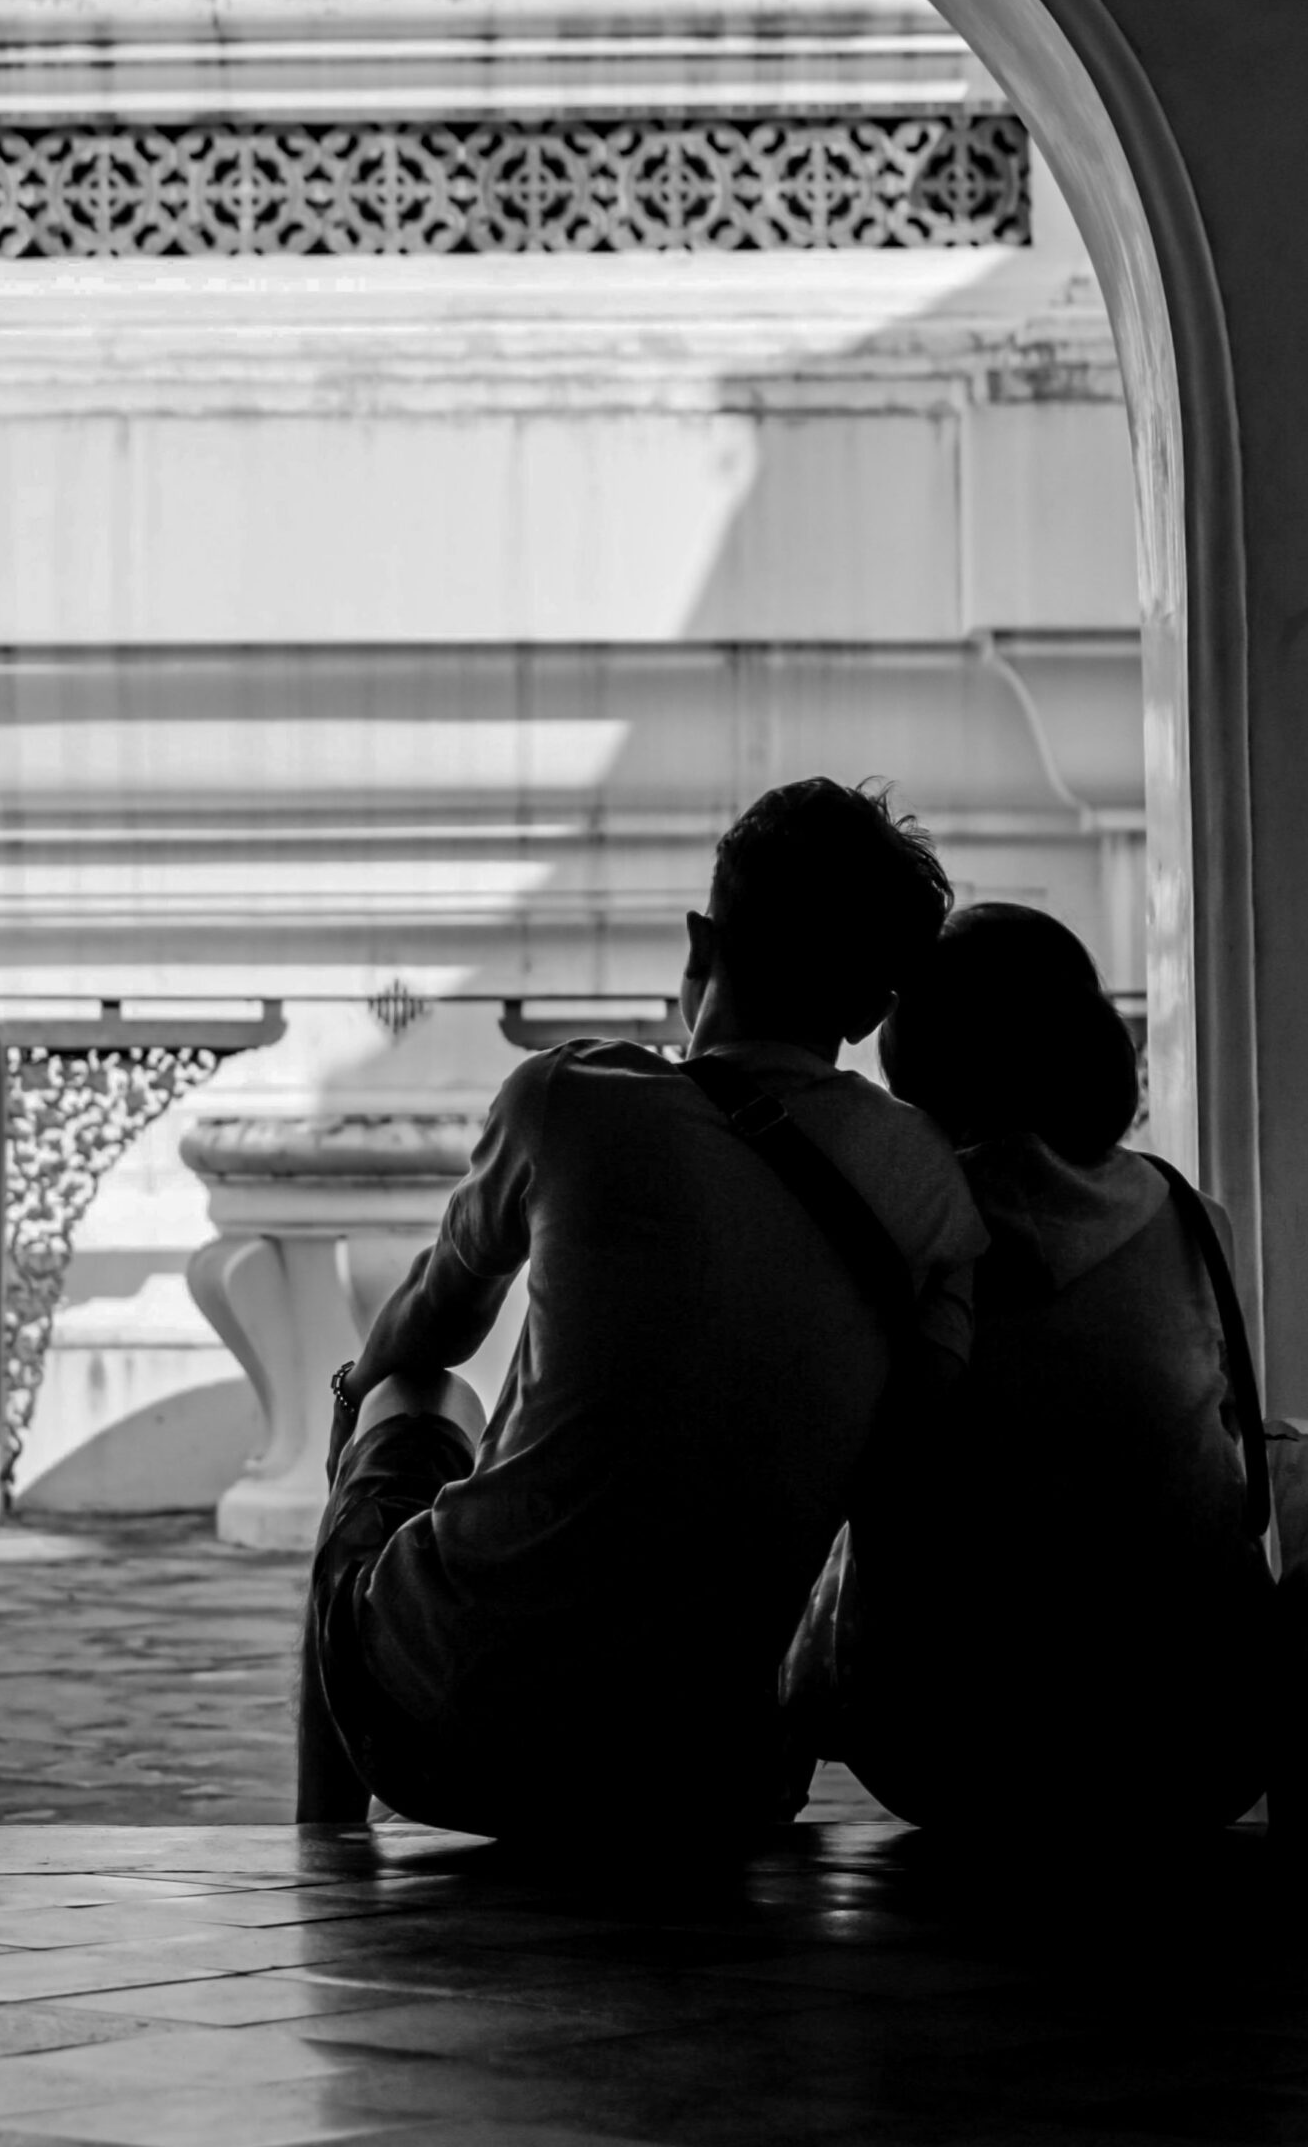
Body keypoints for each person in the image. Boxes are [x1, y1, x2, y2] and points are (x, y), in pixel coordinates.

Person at [298, 778, 987, 1837]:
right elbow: (902, 1466)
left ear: (699, 944)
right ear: (866, 1010)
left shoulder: (570, 1096)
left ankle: (323, 1847)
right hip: (703, 1779)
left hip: (448, 1735)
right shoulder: (927, 1180)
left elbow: (425, 1330)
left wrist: (355, 1397)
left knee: (412, 1399)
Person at [785, 901, 1274, 1830]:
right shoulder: (1193, 1219)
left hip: (940, 1753)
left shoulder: (894, 1229)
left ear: (913, 1056)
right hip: (1198, 1751)